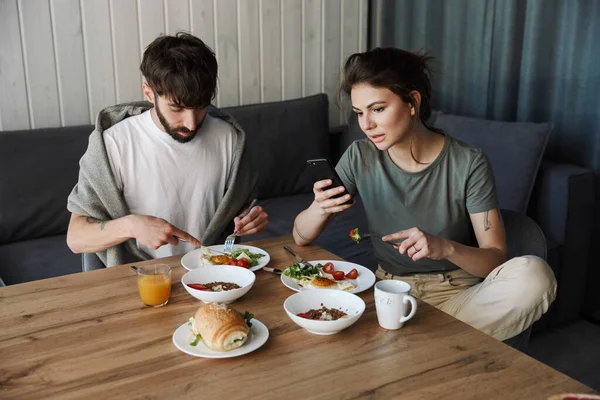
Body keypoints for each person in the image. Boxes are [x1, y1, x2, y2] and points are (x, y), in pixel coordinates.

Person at [292, 47, 556, 341]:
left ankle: (418, 346)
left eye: (378, 109)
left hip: (458, 299)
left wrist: (445, 248)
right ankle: (433, 346)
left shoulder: (468, 162)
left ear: (412, 102)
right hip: (388, 295)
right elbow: (301, 237)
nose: (366, 125)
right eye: (359, 113)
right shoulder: (359, 156)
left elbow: (495, 259)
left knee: (534, 275)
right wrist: (320, 206)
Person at [67, 32, 268, 269]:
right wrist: (132, 226)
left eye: (201, 107)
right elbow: (76, 237)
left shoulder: (231, 139)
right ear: (149, 92)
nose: (191, 123)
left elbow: (242, 207)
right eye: (177, 108)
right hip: (139, 283)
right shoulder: (114, 144)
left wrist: (251, 218)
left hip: (211, 278)